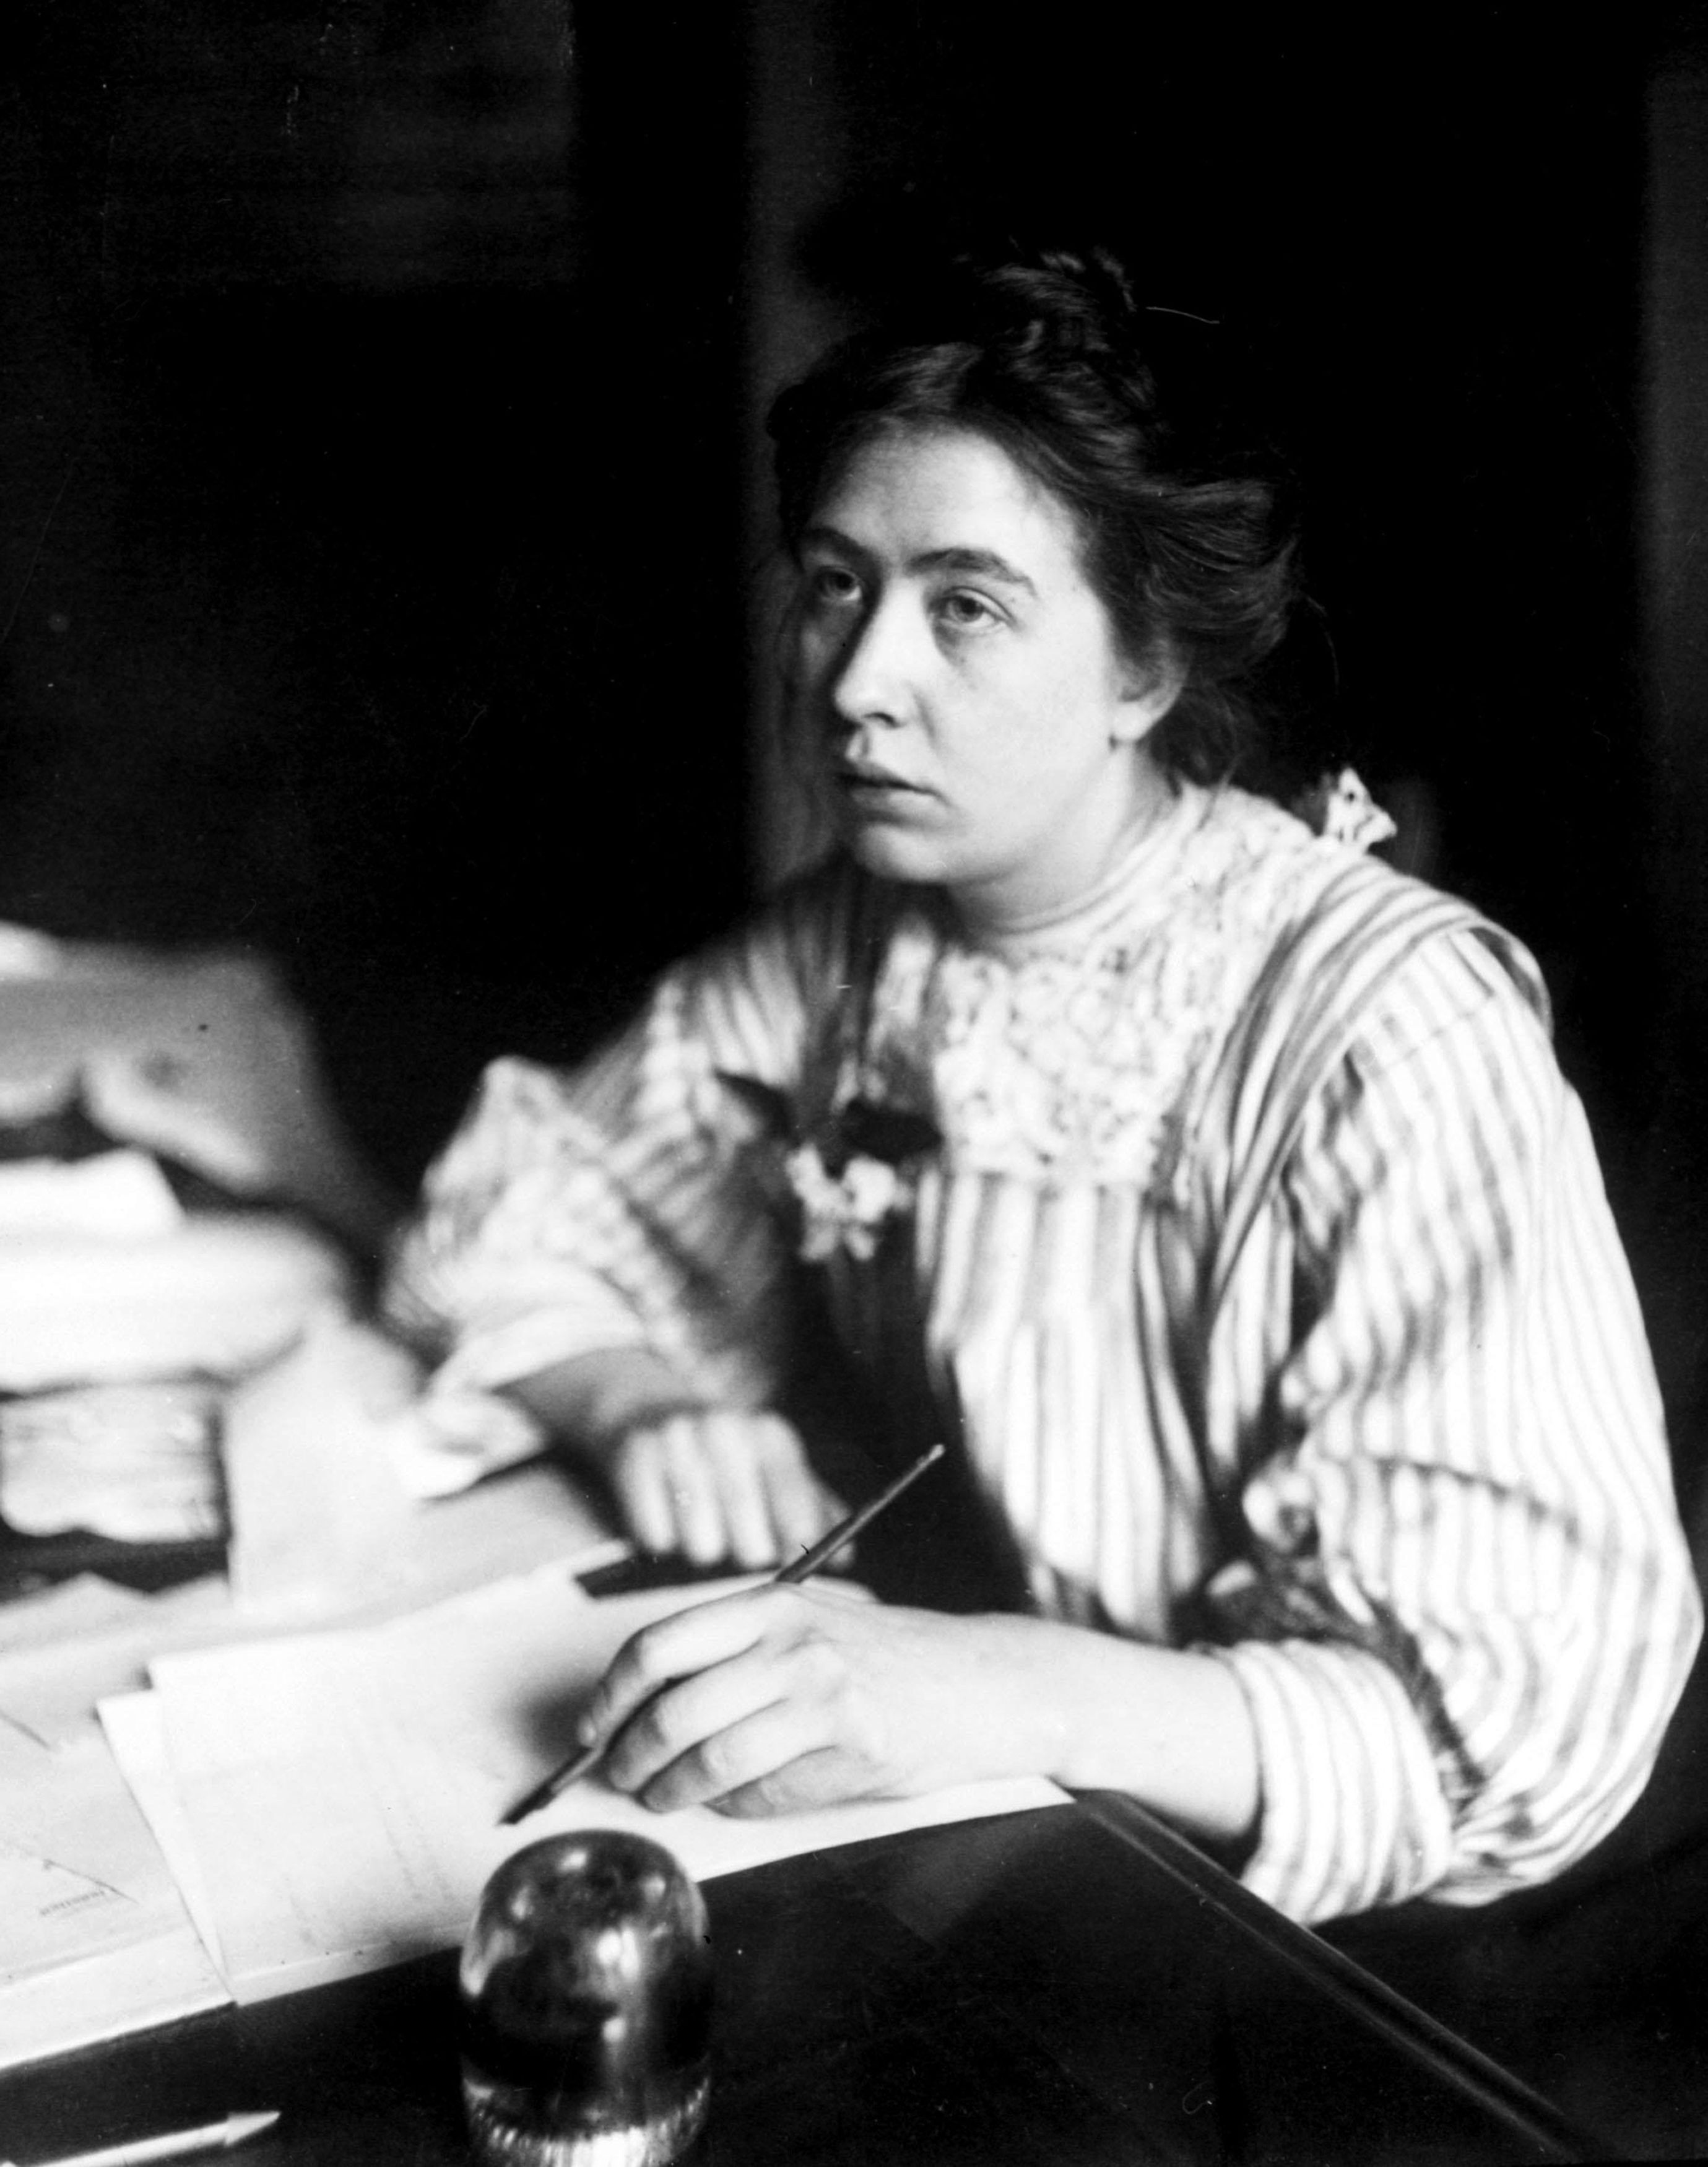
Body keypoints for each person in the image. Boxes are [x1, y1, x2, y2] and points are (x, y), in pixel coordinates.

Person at [383, 246, 1701, 1925]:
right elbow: (520, 1214)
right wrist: (636, 1396)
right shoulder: (849, 947)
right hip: (1002, 1823)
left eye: (966, 604)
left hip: (1397, 1940)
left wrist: (995, 1687)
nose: (857, 681)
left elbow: (1500, 1731)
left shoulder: (1385, 1023)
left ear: (1146, 671)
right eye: (837, 583)